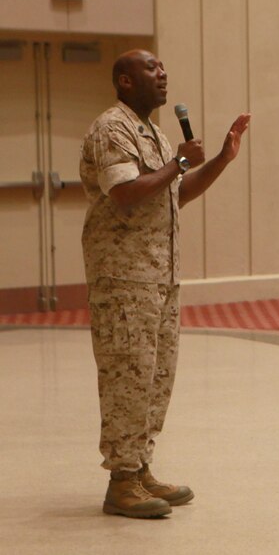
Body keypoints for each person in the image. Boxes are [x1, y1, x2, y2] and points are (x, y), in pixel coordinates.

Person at [81, 49, 250, 518]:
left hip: (161, 275)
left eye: (163, 68)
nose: (162, 74)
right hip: (124, 277)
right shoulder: (111, 128)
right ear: (124, 81)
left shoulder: (153, 132)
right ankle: (121, 481)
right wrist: (177, 162)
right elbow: (126, 194)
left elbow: (176, 194)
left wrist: (218, 160)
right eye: (151, 69)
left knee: (155, 377)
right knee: (127, 376)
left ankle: (140, 467)